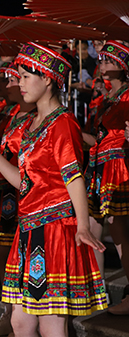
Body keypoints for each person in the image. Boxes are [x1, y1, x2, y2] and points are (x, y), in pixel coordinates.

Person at [0, 42, 108, 337]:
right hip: (28, 230)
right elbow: (24, 183)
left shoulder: (62, 123)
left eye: (24, 75)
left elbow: (73, 176)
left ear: (48, 78)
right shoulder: (32, 125)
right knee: (21, 323)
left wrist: (83, 224)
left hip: (54, 230)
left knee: (52, 329)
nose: (18, 82)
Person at [0, 64, 37, 337]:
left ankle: (30, 318)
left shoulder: (37, 117)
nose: (12, 84)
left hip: (25, 194)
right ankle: (10, 312)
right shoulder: (10, 114)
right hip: (4, 190)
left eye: (17, 79)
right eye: (13, 79)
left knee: (24, 256)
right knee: (3, 254)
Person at [83, 40, 129, 315]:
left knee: (119, 230)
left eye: (109, 60)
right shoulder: (107, 99)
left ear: (123, 66)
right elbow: (98, 140)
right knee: (92, 226)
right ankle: (95, 289)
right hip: (100, 167)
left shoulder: (127, 96)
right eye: (101, 59)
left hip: (119, 166)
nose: (102, 63)